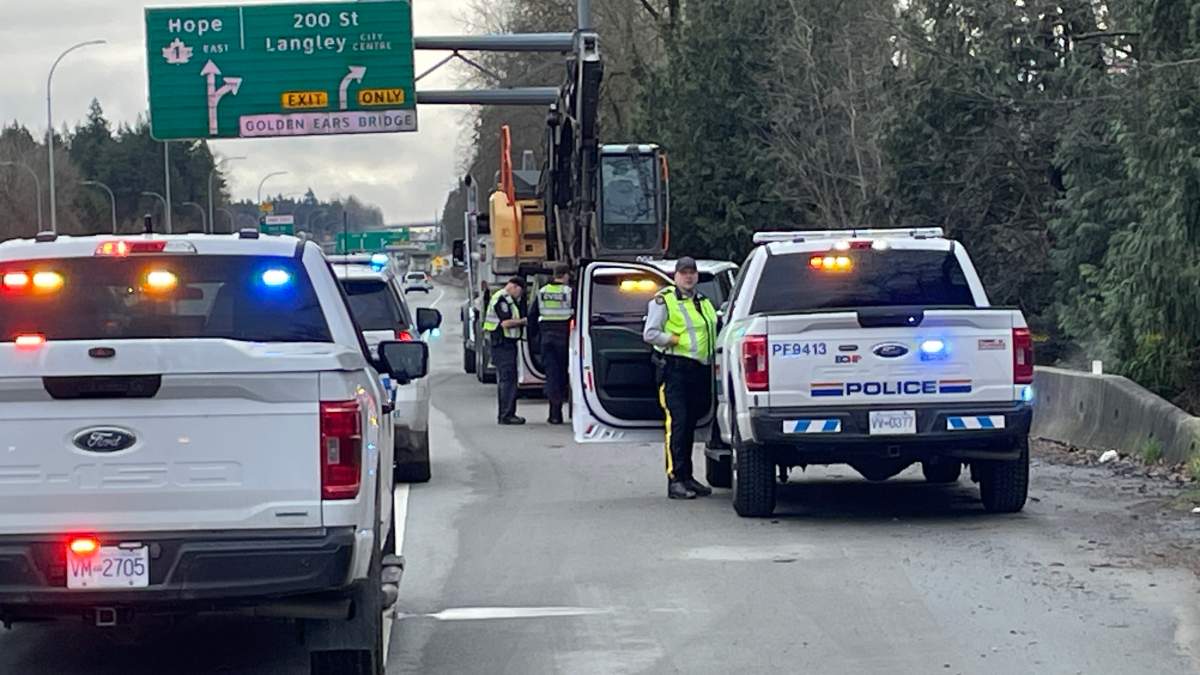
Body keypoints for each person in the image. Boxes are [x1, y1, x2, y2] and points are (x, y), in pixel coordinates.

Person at [642, 257, 719, 500]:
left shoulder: (704, 301)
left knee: (689, 425)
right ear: (675, 276)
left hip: (700, 370)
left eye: (692, 272)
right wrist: (672, 340)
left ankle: (687, 477)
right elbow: (650, 333)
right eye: (684, 273)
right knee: (677, 424)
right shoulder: (664, 300)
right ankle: (675, 479)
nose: (689, 277)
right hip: (675, 369)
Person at [529, 263, 573, 424]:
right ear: (566, 275)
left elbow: (532, 316)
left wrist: (533, 338)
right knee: (566, 375)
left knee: (552, 376)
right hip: (565, 338)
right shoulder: (569, 292)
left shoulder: (543, 292)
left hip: (547, 339)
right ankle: (573, 412)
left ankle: (554, 414)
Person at [482, 277, 528, 425]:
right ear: (514, 287)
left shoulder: (506, 299)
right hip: (502, 345)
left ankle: (508, 413)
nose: (519, 295)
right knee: (507, 380)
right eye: (519, 292)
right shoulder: (502, 299)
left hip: (505, 345)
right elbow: (506, 323)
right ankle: (506, 415)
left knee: (509, 379)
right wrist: (524, 321)